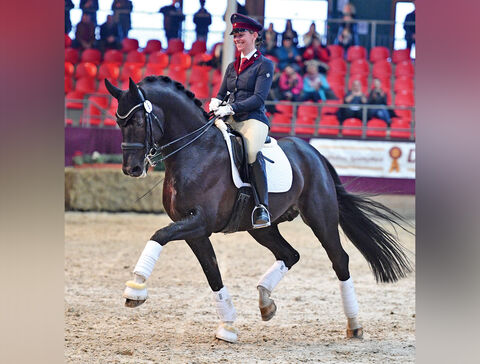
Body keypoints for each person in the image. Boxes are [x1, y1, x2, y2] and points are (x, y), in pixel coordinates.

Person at [208, 13, 275, 228]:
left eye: (241, 34)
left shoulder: (264, 65)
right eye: (235, 35)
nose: (237, 39)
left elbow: (258, 99)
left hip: (253, 120)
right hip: (230, 118)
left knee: (251, 152)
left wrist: (231, 107)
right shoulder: (231, 66)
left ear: (254, 35)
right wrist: (215, 102)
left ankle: (262, 207)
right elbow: (221, 92)